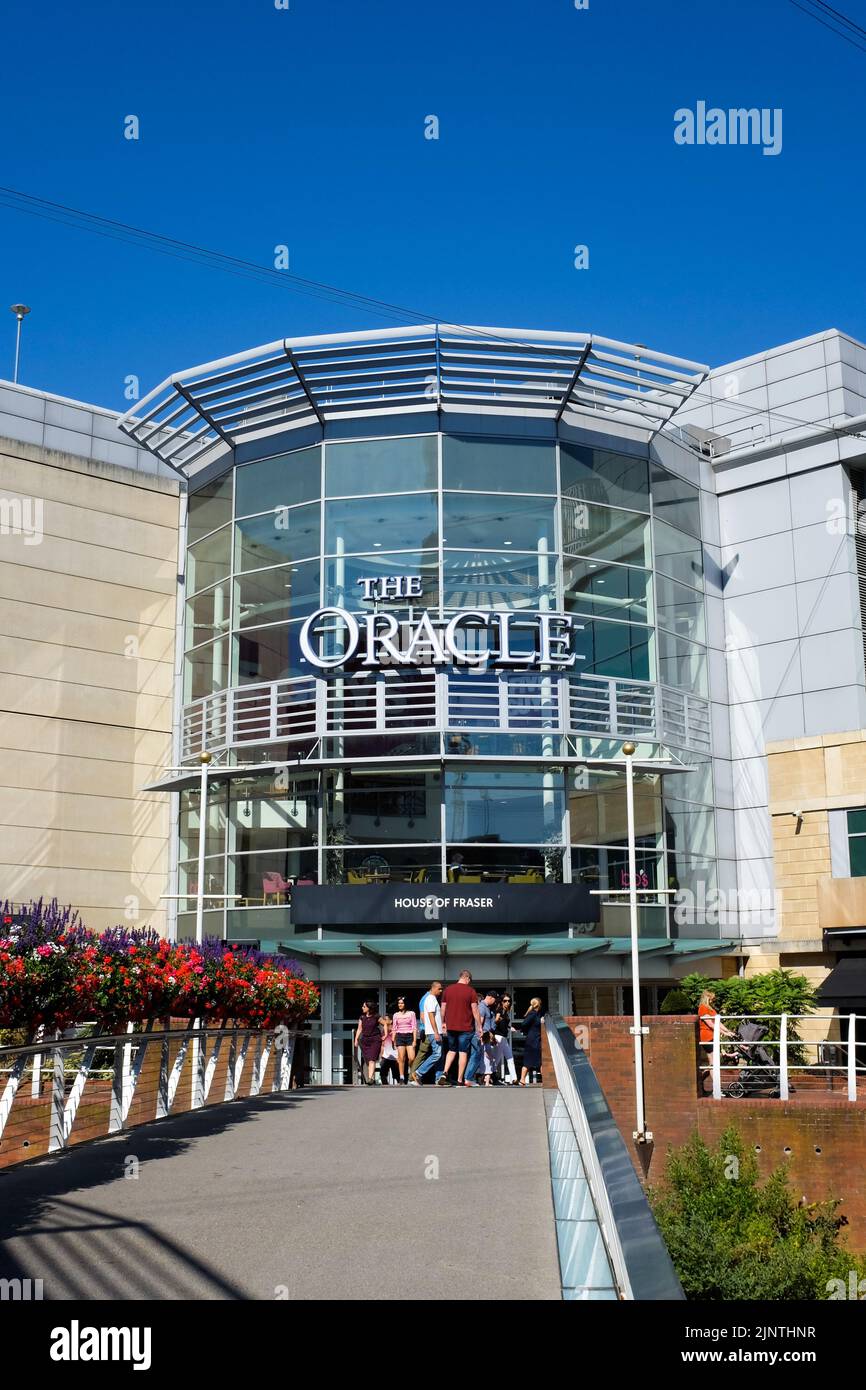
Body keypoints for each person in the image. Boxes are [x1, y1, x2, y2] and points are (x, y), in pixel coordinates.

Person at [436, 969, 482, 1087]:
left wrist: (442, 1023)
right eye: (469, 981)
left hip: (451, 1027)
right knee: (462, 1052)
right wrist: (479, 1026)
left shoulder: (448, 990)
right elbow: (475, 1010)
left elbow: (443, 1008)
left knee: (451, 1050)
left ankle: (444, 1073)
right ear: (467, 978)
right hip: (465, 1027)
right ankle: (460, 1079)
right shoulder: (471, 991)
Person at [409, 980, 444, 1085]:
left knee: (439, 1055)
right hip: (433, 1032)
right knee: (437, 1054)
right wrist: (436, 1032)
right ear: (433, 988)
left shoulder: (432, 998)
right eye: (439, 989)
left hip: (434, 1031)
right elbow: (429, 1016)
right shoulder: (430, 999)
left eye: (441, 989)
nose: (441, 991)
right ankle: (418, 1073)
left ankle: (438, 1078)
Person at [465, 989, 498, 1086]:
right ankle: (468, 1078)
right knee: (475, 1057)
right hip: (480, 1036)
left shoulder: (486, 1007)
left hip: (484, 1036)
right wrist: (480, 1035)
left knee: (477, 1057)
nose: (495, 1002)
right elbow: (479, 1022)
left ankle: (469, 1078)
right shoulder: (482, 1007)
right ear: (490, 997)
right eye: (494, 999)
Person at [517, 997, 544, 1085]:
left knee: (540, 1060)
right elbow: (524, 1024)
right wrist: (526, 1031)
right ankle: (522, 1079)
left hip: (536, 1039)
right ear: (538, 1005)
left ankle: (522, 1079)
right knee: (530, 1060)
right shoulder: (533, 1014)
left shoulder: (537, 1014)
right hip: (532, 1040)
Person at [391, 995, 418, 1084]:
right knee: (401, 1058)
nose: (400, 1005)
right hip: (400, 1037)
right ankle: (402, 1077)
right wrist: (393, 1040)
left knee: (412, 1058)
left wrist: (414, 1040)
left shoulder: (411, 1013)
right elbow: (394, 1028)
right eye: (399, 1003)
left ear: (405, 1004)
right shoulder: (396, 1015)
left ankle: (411, 1074)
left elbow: (414, 1027)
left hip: (409, 1036)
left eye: (402, 1003)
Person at [354, 1000, 382, 1085]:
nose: (362, 1008)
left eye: (364, 1006)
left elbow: (385, 1024)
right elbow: (359, 1029)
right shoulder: (362, 1017)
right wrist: (356, 1040)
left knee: (371, 1060)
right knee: (368, 1060)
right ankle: (372, 1078)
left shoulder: (376, 1016)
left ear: (369, 1008)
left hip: (375, 1040)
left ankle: (370, 1079)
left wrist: (385, 1034)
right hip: (365, 1041)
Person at [493, 992, 518, 1084]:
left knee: (510, 1057)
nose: (507, 1002)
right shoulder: (499, 1010)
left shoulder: (505, 1012)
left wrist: (509, 1027)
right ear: (501, 1001)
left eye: (509, 1001)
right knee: (497, 1059)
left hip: (503, 1038)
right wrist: (497, 1020)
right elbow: (496, 1020)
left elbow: (503, 1023)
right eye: (505, 1001)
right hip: (498, 1037)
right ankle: (490, 1076)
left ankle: (514, 1078)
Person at [379, 1015, 400, 1086]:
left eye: (386, 1019)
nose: (384, 1020)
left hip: (395, 1057)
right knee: (382, 1074)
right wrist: (381, 1056)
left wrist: (400, 1056)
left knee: (397, 1075)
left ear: (391, 1021)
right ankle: (385, 1088)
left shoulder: (396, 1030)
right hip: (386, 1057)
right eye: (384, 1019)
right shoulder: (383, 1032)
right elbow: (382, 1045)